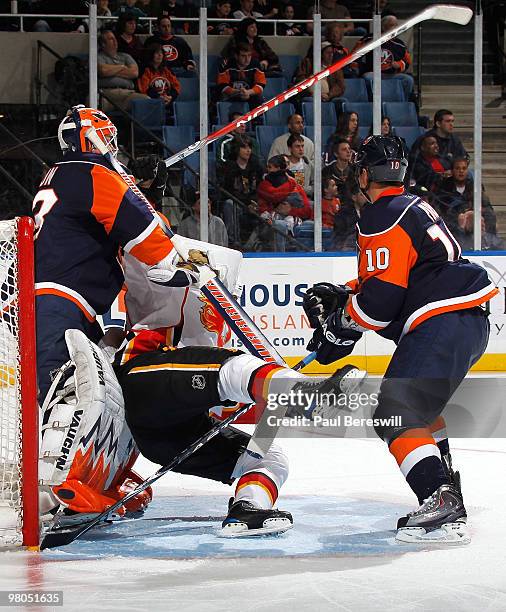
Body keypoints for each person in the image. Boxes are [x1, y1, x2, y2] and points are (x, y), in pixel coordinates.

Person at [302, 135, 498, 544]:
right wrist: (348, 293)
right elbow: (399, 276)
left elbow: (380, 304)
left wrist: (341, 321)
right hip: (467, 321)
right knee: (421, 412)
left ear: (363, 173)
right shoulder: (412, 205)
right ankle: (445, 487)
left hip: (441, 319)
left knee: (395, 409)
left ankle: (439, 498)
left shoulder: (379, 215)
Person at [32, 105, 199, 406]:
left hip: (54, 300)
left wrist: (142, 193)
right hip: (60, 301)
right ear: (87, 138)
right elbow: (140, 231)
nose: (113, 147)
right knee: (54, 402)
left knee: (74, 394)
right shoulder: (92, 173)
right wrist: (174, 261)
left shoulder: (58, 173)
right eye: (107, 138)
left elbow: (107, 220)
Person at [436, 158, 501, 250]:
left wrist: (476, 213)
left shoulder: (475, 186)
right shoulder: (444, 188)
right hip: (455, 224)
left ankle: (488, 245)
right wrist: (459, 218)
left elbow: (487, 207)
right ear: (452, 171)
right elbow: (441, 212)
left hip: (475, 221)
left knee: (489, 215)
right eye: (457, 168)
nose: (461, 171)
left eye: (464, 168)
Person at [217, 134, 264, 248]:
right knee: (229, 204)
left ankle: (253, 243)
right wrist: (246, 204)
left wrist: (254, 202)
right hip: (236, 202)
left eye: (249, 147)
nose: (248, 150)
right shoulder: (229, 167)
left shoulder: (256, 166)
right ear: (237, 149)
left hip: (253, 202)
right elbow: (228, 191)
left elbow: (260, 187)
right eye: (244, 147)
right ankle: (233, 242)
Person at [257, 155, 313, 252]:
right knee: (280, 224)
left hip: (293, 221)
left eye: (271, 167)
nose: (268, 170)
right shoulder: (264, 184)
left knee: (311, 225)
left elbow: (307, 211)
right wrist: (291, 184)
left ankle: (307, 258)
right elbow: (274, 196)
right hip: (269, 223)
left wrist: (291, 211)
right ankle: (280, 256)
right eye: (268, 167)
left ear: (279, 168)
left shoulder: (295, 185)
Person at [353, 15, 414, 100]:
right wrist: (359, 68)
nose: (395, 27)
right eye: (392, 25)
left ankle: (403, 104)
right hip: (372, 73)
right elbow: (355, 54)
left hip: (391, 74)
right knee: (368, 78)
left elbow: (407, 61)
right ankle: (374, 103)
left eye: (396, 25)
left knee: (408, 80)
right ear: (383, 27)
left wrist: (399, 64)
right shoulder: (369, 39)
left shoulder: (399, 44)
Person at [97, 29, 149, 112]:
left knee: (146, 100)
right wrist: (122, 67)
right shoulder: (98, 57)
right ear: (103, 44)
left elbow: (134, 72)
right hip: (106, 94)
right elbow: (103, 71)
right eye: (111, 39)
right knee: (92, 103)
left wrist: (112, 71)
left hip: (127, 94)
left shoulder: (125, 56)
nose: (115, 41)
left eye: (115, 38)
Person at [217, 42, 266, 108]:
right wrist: (236, 92)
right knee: (220, 96)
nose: (247, 59)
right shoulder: (227, 64)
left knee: (259, 98)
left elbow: (261, 84)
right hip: (231, 94)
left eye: (249, 55)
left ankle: (256, 118)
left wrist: (248, 92)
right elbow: (222, 85)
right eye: (243, 56)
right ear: (236, 56)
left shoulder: (256, 64)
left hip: (249, 94)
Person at [137, 44, 181, 112]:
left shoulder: (166, 70)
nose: (160, 55)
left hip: (167, 100)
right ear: (151, 55)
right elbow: (144, 89)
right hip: (151, 103)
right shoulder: (145, 70)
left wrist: (170, 97)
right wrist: (159, 97)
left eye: (161, 53)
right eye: (157, 53)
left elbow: (176, 86)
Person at [287, 133, 314, 199]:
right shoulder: (283, 164)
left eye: (302, 146)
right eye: (297, 146)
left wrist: (305, 190)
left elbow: (315, 184)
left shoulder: (308, 164)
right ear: (290, 148)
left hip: (305, 198)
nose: (301, 149)